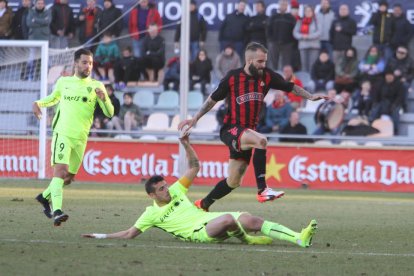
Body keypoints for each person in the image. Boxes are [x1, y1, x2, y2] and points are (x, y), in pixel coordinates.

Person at [82, 135, 318, 248]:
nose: (168, 190)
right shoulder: (150, 214)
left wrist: (185, 143)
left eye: (166, 185)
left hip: (208, 220)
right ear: (152, 195)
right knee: (228, 219)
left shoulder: (175, 190)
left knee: (251, 218)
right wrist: (101, 235)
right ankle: (247, 240)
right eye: (162, 189)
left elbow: (195, 166)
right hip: (200, 233)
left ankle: (299, 237)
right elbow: (129, 234)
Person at [178, 42, 328, 211]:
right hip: (231, 129)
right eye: (260, 62)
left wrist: (310, 96)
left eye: (265, 61)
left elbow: (290, 86)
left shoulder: (267, 76)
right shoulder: (233, 77)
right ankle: (262, 189)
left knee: (233, 181)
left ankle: (203, 204)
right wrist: (195, 118)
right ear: (249, 61)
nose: (263, 65)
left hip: (248, 133)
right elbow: (212, 99)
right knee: (262, 140)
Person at [32, 48, 115, 226]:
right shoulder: (64, 81)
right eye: (85, 62)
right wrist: (38, 103)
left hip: (81, 138)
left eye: (91, 63)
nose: (88, 66)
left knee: (68, 178)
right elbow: (54, 98)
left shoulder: (97, 86)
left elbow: (109, 113)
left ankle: (44, 197)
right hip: (62, 133)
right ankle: (57, 211)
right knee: (60, 172)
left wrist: (104, 99)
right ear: (76, 63)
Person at [266, 0, 296, 70]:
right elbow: (268, 29)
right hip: (274, 43)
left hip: (287, 44)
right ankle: (273, 79)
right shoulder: (273, 16)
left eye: (285, 5)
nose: (283, 6)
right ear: (279, 5)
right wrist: (270, 40)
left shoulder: (291, 17)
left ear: (287, 6)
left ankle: (284, 80)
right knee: (273, 64)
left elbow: (294, 31)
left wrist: (291, 42)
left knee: (286, 64)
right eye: (282, 4)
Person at [293, 5, 321, 72]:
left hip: (314, 46)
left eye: (309, 11)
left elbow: (319, 32)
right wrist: (302, 36)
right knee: (304, 65)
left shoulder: (316, 21)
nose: (308, 12)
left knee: (313, 65)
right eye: (306, 11)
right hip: (303, 46)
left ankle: (312, 80)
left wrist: (308, 36)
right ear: (304, 12)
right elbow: (295, 32)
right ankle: (304, 80)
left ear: (312, 12)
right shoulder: (300, 21)